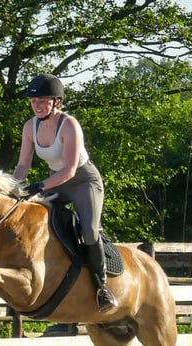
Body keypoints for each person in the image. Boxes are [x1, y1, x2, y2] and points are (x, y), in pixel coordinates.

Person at [13, 73, 117, 313]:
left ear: (56, 102)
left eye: (42, 101)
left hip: (83, 180)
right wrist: (12, 187)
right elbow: (22, 166)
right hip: (54, 181)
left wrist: (39, 186)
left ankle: (103, 288)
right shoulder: (30, 126)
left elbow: (69, 170)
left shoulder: (69, 124)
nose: (37, 106)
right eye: (33, 101)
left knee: (89, 230)